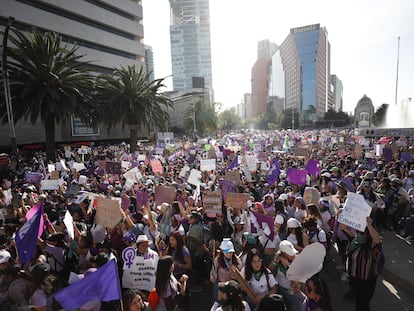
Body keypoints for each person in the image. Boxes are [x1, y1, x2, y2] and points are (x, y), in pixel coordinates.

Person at [347, 217, 382, 311]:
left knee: (362, 304)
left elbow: (377, 240)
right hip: (354, 279)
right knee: (359, 303)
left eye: (362, 233)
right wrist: (341, 217)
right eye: (359, 232)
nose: (359, 235)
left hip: (368, 281)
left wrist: (369, 226)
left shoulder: (373, 248)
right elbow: (343, 228)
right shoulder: (354, 242)